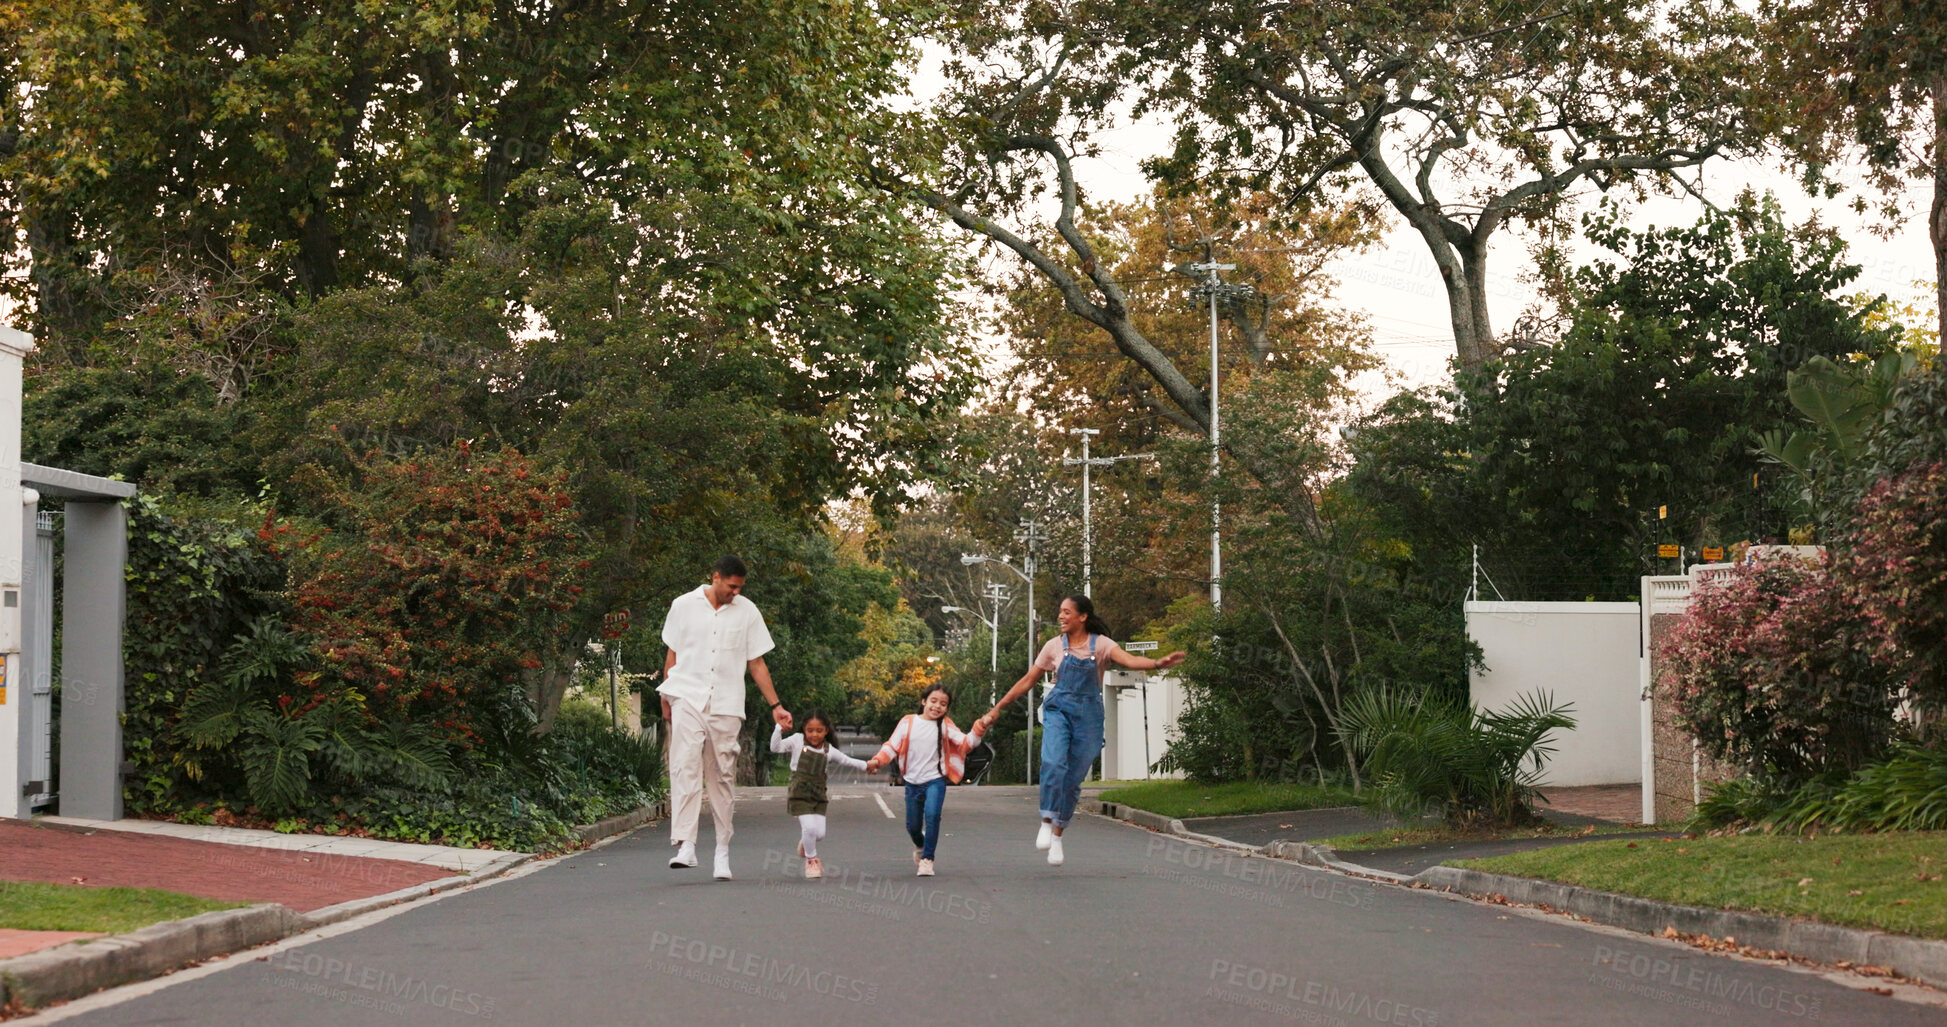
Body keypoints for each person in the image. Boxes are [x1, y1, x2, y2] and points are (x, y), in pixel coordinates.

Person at [979, 594, 1184, 866]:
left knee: (1073, 780)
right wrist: (998, 708)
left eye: (1066, 612)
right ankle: (1046, 818)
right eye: (1060, 612)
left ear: (1082, 616)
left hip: (1089, 717)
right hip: (1058, 710)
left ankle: (1058, 836)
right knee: (1053, 763)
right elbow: (1028, 680)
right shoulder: (1053, 647)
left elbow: (1129, 660)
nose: (1061, 616)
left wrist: (1157, 663)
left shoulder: (1100, 645)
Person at [657, 555, 790, 881]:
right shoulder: (683, 605)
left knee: (721, 776)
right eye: (732, 586)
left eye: (739, 588)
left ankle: (721, 851)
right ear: (716, 577)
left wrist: (776, 705)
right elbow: (672, 652)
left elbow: (756, 663)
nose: (735, 593)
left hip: (727, 704)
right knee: (684, 765)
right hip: (686, 695)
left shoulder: (748, 612)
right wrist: (666, 694)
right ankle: (686, 845)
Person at [864, 684, 987, 877]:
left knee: (932, 815)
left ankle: (927, 859)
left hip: (935, 781)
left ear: (947, 708)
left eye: (943, 704)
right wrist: (877, 761)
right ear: (924, 701)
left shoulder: (945, 725)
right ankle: (920, 845)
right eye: (934, 701)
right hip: (912, 782)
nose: (937, 706)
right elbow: (892, 746)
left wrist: (980, 727)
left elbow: (966, 744)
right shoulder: (908, 722)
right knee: (912, 826)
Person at [770, 709, 869, 879]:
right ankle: (811, 860)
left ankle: (806, 843)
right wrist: (778, 728)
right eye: (810, 730)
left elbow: (847, 760)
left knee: (819, 834)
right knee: (809, 828)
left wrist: (868, 766)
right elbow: (775, 747)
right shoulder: (797, 741)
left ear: (826, 731)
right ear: (804, 729)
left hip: (818, 795)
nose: (814, 735)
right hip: (799, 793)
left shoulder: (828, 750)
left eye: (819, 730)